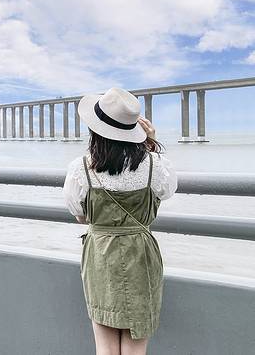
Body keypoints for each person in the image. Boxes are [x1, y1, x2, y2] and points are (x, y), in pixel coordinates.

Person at [62, 87, 177, 355]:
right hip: (142, 255)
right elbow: (166, 190)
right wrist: (151, 145)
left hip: (100, 255)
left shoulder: (80, 168)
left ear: (96, 130)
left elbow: (79, 215)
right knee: (136, 343)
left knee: (105, 346)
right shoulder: (154, 165)